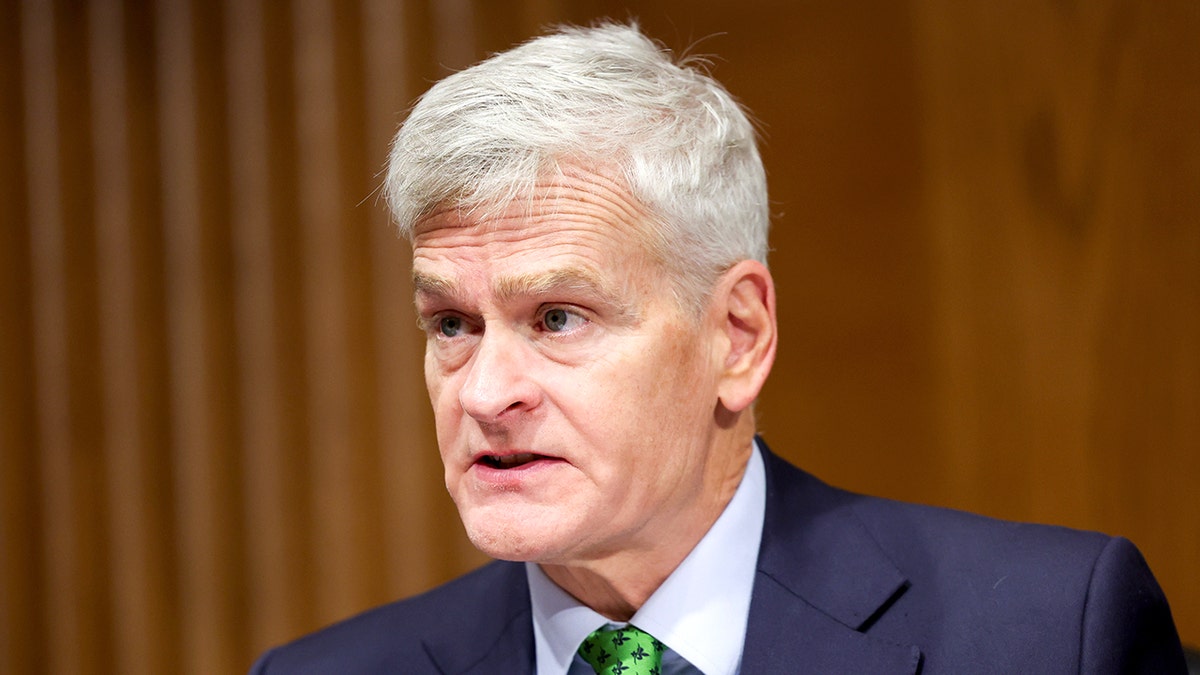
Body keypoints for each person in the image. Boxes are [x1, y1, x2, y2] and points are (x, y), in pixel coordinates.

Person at [251, 22, 1186, 674]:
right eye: (452, 325)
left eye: (559, 317)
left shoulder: (1048, 636)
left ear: (737, 335)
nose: (486, 392)